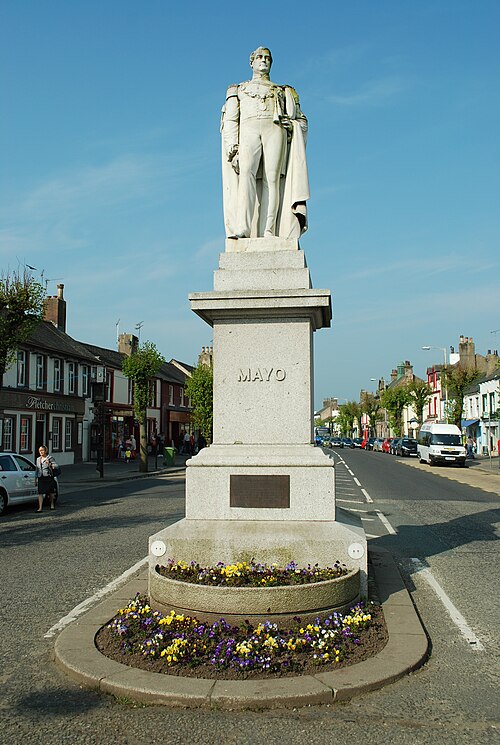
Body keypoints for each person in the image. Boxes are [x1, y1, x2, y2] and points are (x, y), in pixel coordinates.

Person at [221, 46, 309, 241]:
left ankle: (269, 230)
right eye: (259, 57)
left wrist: (292, 126)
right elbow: (230, 121)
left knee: (272, 179)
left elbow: (301, 120)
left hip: (274, 129)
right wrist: (232, 149)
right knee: (246, 175)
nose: (264, 60)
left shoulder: (282, 91)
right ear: (251, 62)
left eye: (267, 58)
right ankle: (243, 228)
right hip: (248, 131)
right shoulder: (238, 90)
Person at [35, 445, 58, 512]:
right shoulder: (38, 459)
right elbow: (37, 469)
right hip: (40, 477)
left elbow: (56, 466)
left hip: (48, 477)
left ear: (45, 451)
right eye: (40, 451)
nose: (41, 452)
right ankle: (40, 508)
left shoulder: (50, 458)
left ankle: (52, 504)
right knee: (40, 492)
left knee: (51, 492)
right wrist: (35, 478)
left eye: (42, 450)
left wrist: (50, 464)